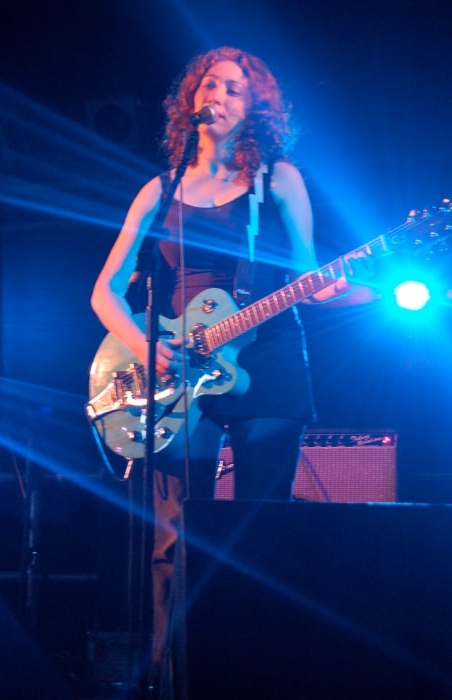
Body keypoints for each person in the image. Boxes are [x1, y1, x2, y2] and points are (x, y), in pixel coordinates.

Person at [90, 46, 374, 697]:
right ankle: (170, 679)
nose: (219, 95)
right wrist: (142, 344)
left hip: (266, 358)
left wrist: (353, 285)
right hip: (175, 373)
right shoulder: (158, 190)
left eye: (236, 90)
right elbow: (105, 291)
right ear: (191, 100)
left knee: (259, 530)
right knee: (172, 539)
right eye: (210, 84)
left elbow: (306, 273)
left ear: (254, 111)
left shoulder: (280, 180)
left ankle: (253, 674)